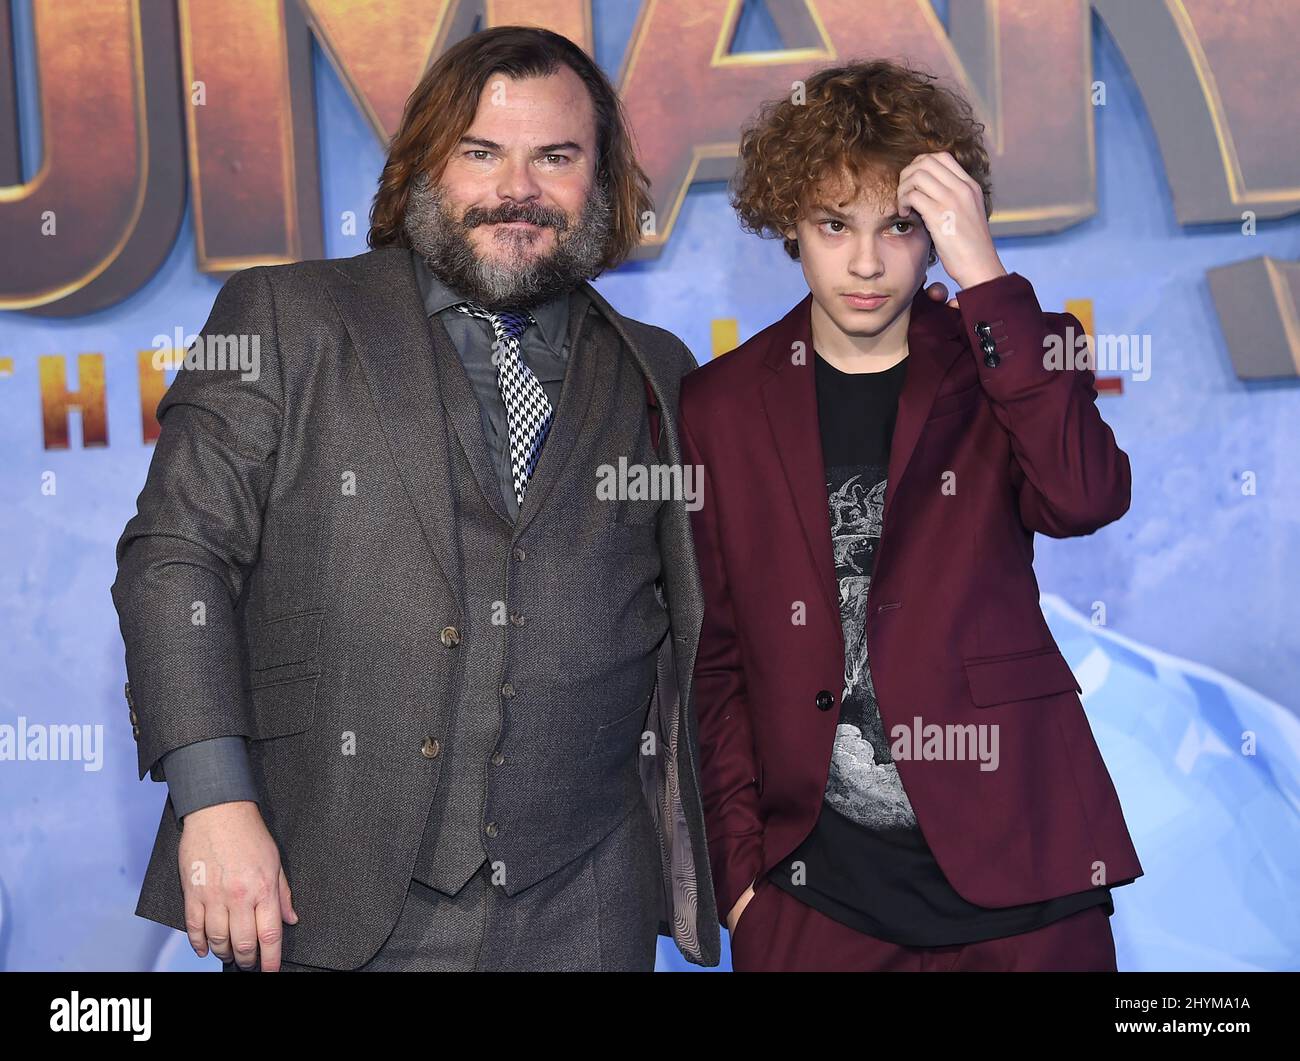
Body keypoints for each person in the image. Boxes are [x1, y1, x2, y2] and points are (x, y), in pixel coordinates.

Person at [112, 25, 719, 972]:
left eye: (555, 157)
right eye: (482, 153)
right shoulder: (288, 318)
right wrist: (217, 804)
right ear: (427, 165)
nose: (517, 188)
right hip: (323, 893)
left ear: (600, 183)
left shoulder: (663, 371)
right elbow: (173, 560)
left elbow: (709, 632)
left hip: (587, 909)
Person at [679, 59, 1143, 972]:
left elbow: (1085, 496)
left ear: (936, 231)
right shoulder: (719, 404)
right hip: (821, 901)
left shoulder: (1011, 352)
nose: (864, 262)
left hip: (1025, 875)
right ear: (789, 226)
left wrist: (985, 277)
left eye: (899, 226)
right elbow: (717, 654)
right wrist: (745, 885)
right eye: (832, 224)